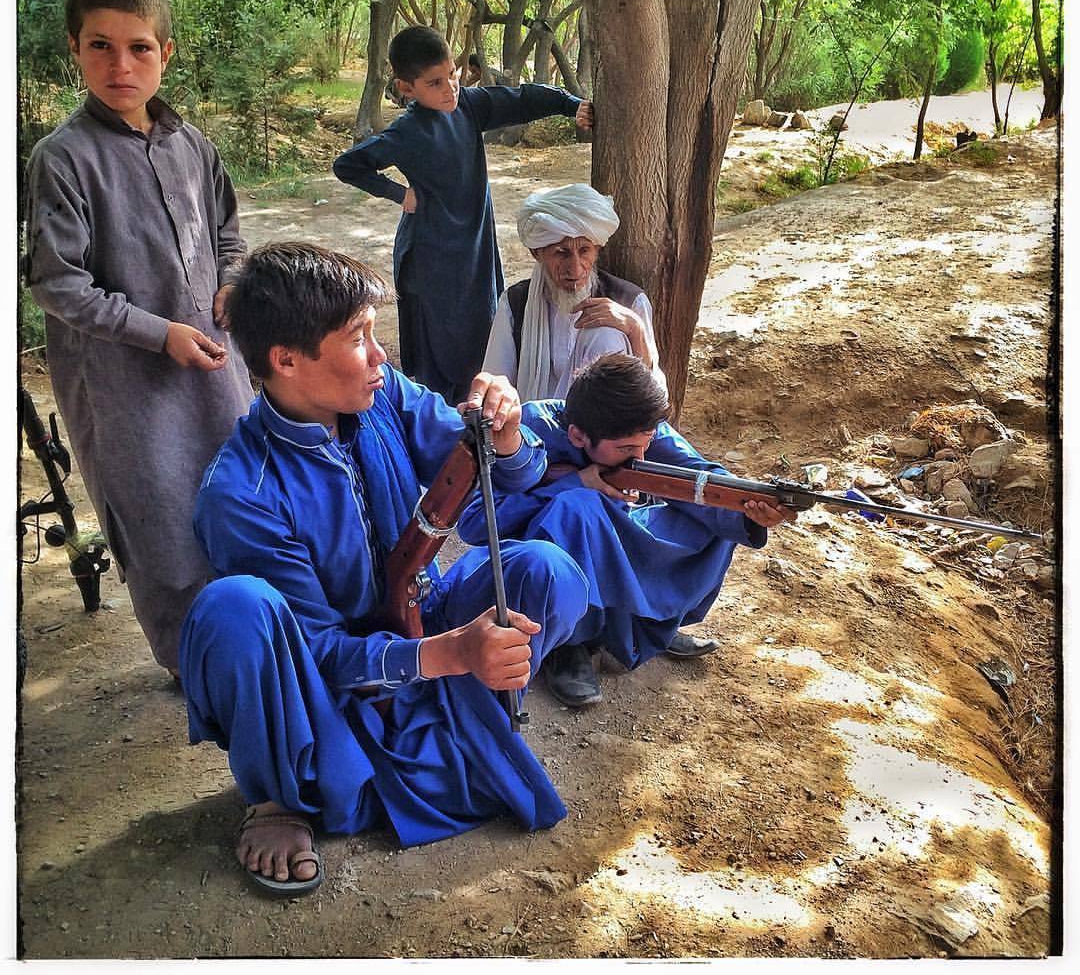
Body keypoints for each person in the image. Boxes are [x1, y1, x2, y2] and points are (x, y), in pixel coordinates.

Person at [179, 242, 590, 896]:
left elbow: (499, 467)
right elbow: (316, 655)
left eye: (375, 333)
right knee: (236, 610)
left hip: (421, 619)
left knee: (549, 570)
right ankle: (280, 799)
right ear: (285, 361)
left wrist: (505, 433)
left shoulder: (381, 394)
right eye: (359, 339)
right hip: (319, 691)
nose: (381, 357)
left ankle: (472, 698)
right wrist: (450, 654)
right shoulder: (241, 493)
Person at [24, 0, 252, 678]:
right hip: (126, 387)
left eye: (139, 48)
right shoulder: (62, 159)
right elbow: (59, 285)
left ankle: (246, 644)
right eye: (100, 47)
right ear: (74, 49)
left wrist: (232, 281)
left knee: (234, 499)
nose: (121, 66)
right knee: (158, 523)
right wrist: (161, 333)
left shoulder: (193, 147)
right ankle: (191, 668)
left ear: (166, 54)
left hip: (214, 367)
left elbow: (229, 235)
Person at [458, 353, 795, 708]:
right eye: (627, 449)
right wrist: (572, 484)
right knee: (575, 510)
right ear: (577, 435)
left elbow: (701, 476)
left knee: (714, 507)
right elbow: (475, 521)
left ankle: (654, 626)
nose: (642, 454)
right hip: (539, 559)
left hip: (615, 537)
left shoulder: (640, 430)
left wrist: (753, 512)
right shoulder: (529, 430)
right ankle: (569, 645)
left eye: (647, 441)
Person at [332, 26, 593, 404]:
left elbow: (521, 99)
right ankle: (440, 429)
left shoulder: (468, 107)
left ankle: (477, 423)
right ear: (408, 89)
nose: (450, 88)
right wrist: (399, 193)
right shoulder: (407, 131)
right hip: (430, 257)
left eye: (452, 75)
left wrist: (572, 105)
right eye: (435, 83)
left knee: (483, 332)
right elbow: (349, 165)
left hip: (474, 248)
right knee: (438, 349)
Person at [482, 183, 666, 402]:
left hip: (605, 429)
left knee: (604, 335)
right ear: (537, 253)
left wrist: (635, 329)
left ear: (597, 249)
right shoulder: (515, 303)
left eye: (584, 251)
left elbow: (655, 397)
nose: (576, 269)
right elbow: (495, 384)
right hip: (536, 429)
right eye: (562, 253)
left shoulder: (629, 301)